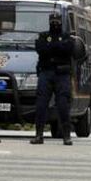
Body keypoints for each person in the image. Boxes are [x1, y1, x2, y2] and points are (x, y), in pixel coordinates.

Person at [30, 12, 74, 146]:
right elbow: (41, 50)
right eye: (53, 21)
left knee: (63, 105)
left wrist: (52, 47)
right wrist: (58, 47)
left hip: (62, 74)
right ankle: (39, 135)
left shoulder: (67, 36)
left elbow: (68, 49)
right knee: (41, 105)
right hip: (46, 72)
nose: (55, 23)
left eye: (57, 21)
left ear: (61, 22)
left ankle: (66, 136)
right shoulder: (44, 36)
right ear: (49, 22)